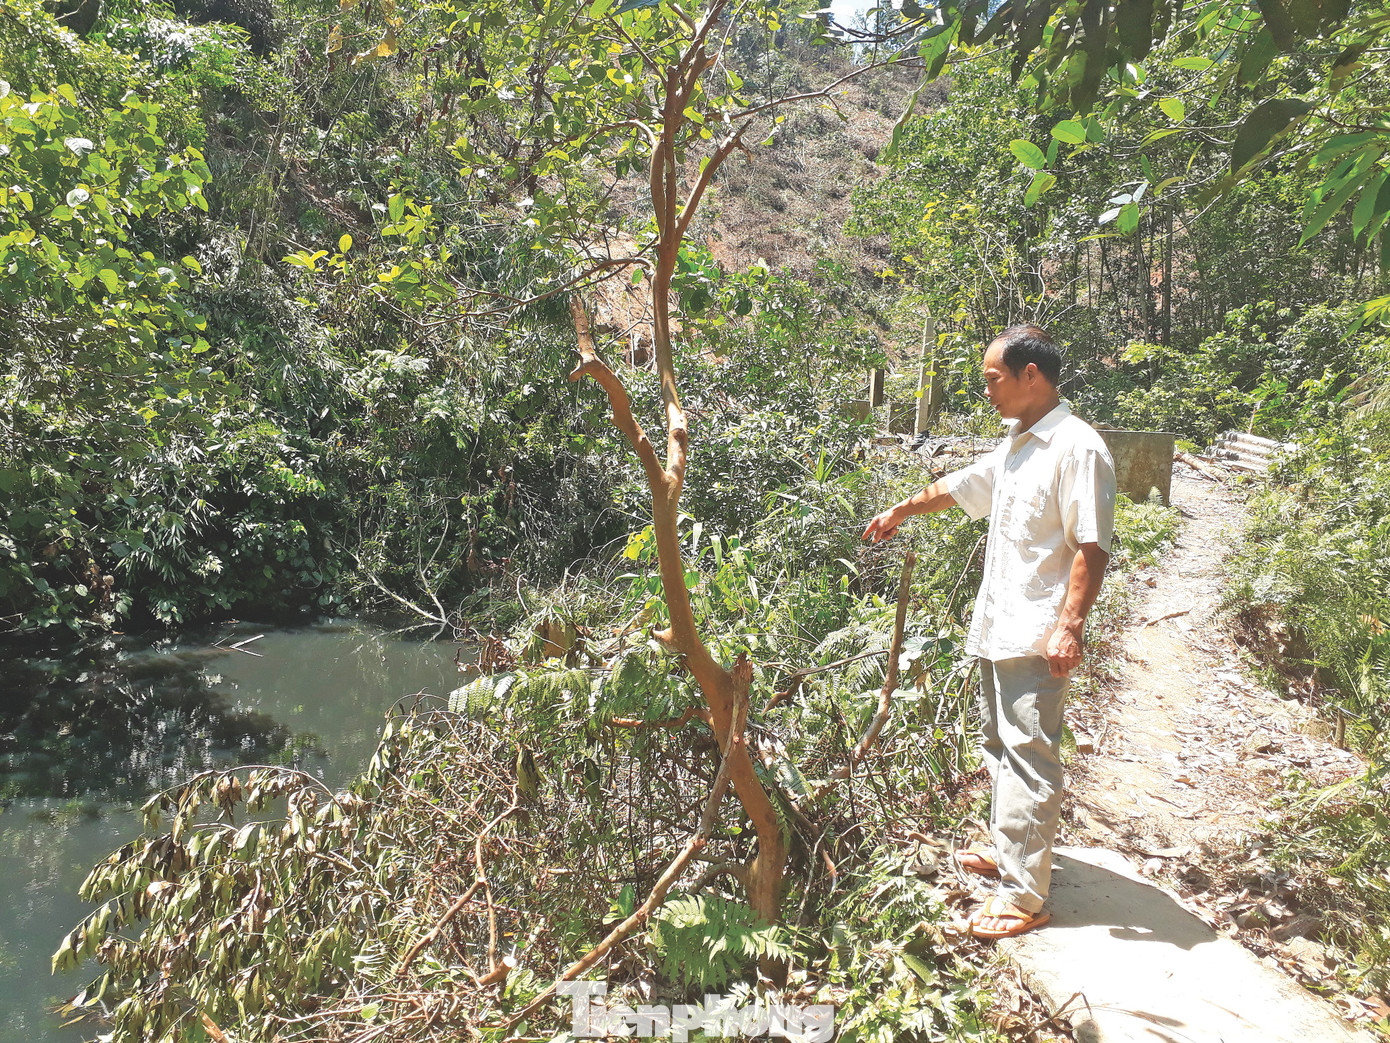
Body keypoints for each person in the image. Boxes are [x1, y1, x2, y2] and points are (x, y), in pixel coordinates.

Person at [862, 324, 1116, 939]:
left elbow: (1091, 545)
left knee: (1030, 755)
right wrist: (902, 508)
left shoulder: (1077, 448)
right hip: (999, 621)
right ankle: (1009, 847)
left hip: (1036, 632)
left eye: (993, 379)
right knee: (999, 746)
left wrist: (1070, 627)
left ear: (1033, 376)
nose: (988, 392)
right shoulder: (1016, 443)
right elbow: (961, 487)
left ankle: (1023, 896)